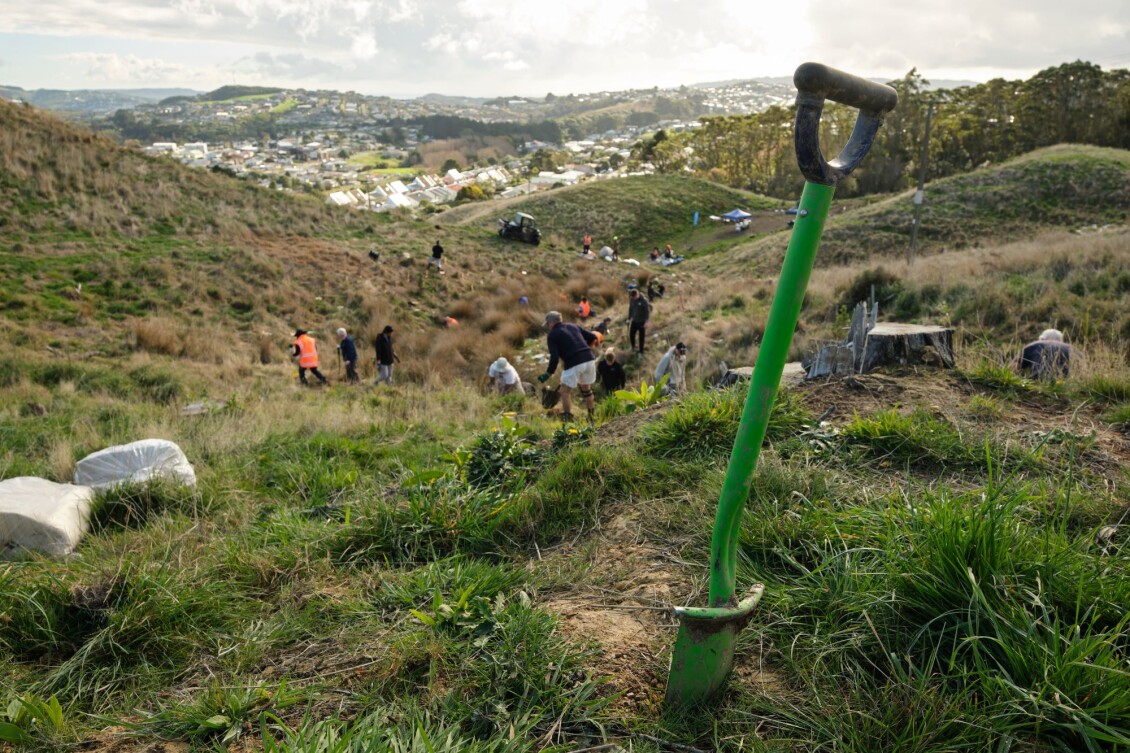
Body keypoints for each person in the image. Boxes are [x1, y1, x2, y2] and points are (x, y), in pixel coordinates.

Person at [538, 310, 597, 421]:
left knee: (565, 391)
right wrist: (583, 347)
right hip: (589, 359)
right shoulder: (573, 326)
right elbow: (592, 337)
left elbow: (554, 357)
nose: (548, 326)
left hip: (574, 362)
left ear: (551, 323)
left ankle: (568, 417)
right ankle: (591, 416)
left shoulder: (552, 335)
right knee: (587, 389)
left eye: (547, 324)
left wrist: (549, 373)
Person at [627, 287, 651, 355]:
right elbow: (630, 309)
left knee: (641, 338)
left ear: (638, 294)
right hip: (634, 321)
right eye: (633, 297)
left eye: (635, 297)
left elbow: (647, 312)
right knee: (631, 335)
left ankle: (641, 351)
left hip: (642, 322)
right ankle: (633, 347)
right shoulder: (632, 299)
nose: (634, 298)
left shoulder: (644, 301)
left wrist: (646, 322)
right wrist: (629, 319)